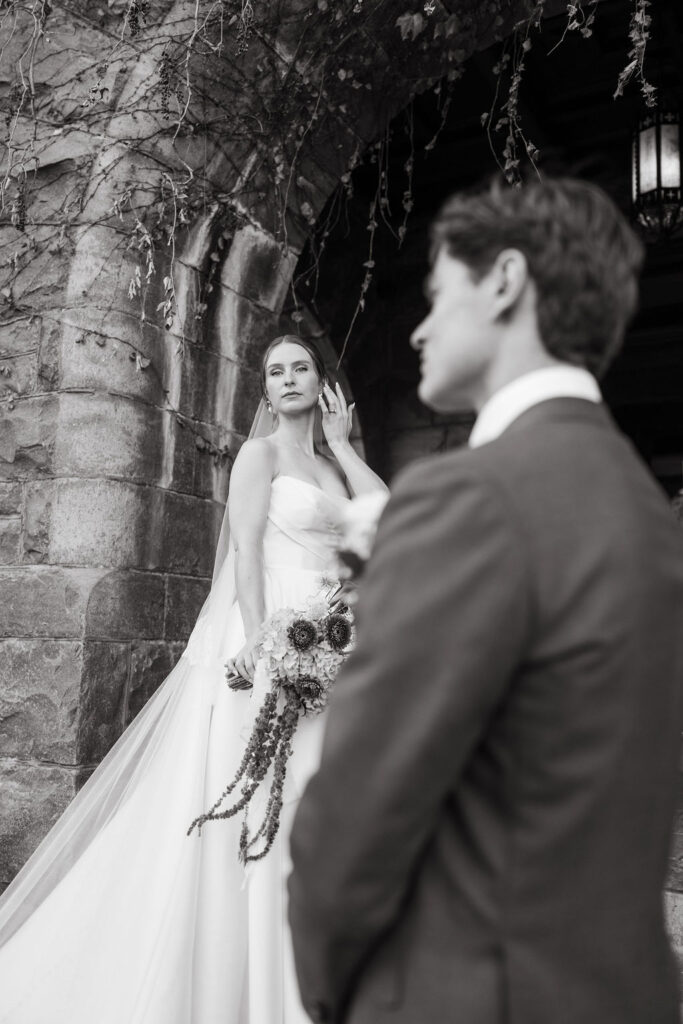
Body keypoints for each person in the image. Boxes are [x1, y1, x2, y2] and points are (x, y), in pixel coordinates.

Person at [288, 177, 683, 1024]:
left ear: (504, 280)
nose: (421, 327)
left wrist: (334, 995)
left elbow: (358, 809)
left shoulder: (470, 498)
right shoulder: (649, 515)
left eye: (435, 295)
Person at [0, 334, 387, 1024]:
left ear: (325, 386)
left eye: (301, 368)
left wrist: (345, 441)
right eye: (276, 372)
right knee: (259, 795)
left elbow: (382, 517)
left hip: (325, 648)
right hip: (265, 642)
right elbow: (243, 554)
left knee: (312, 798)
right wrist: (266, 644)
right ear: (264, 392)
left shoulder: (332, 467)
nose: (289, 379)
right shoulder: (259, 455)